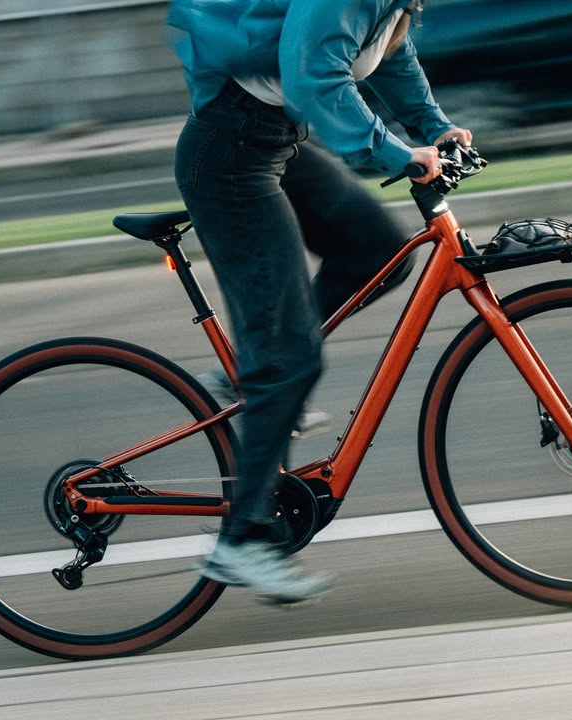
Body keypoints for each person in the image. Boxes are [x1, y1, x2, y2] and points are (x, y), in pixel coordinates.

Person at [167, 0, 472, 604]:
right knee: (288, 358)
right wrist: (393, 151)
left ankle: (256, 374)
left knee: (379, 254)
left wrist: (432, 125)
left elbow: (386, 51)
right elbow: (313, 74)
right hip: (230, 159)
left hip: (276, 142)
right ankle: (243, 540)